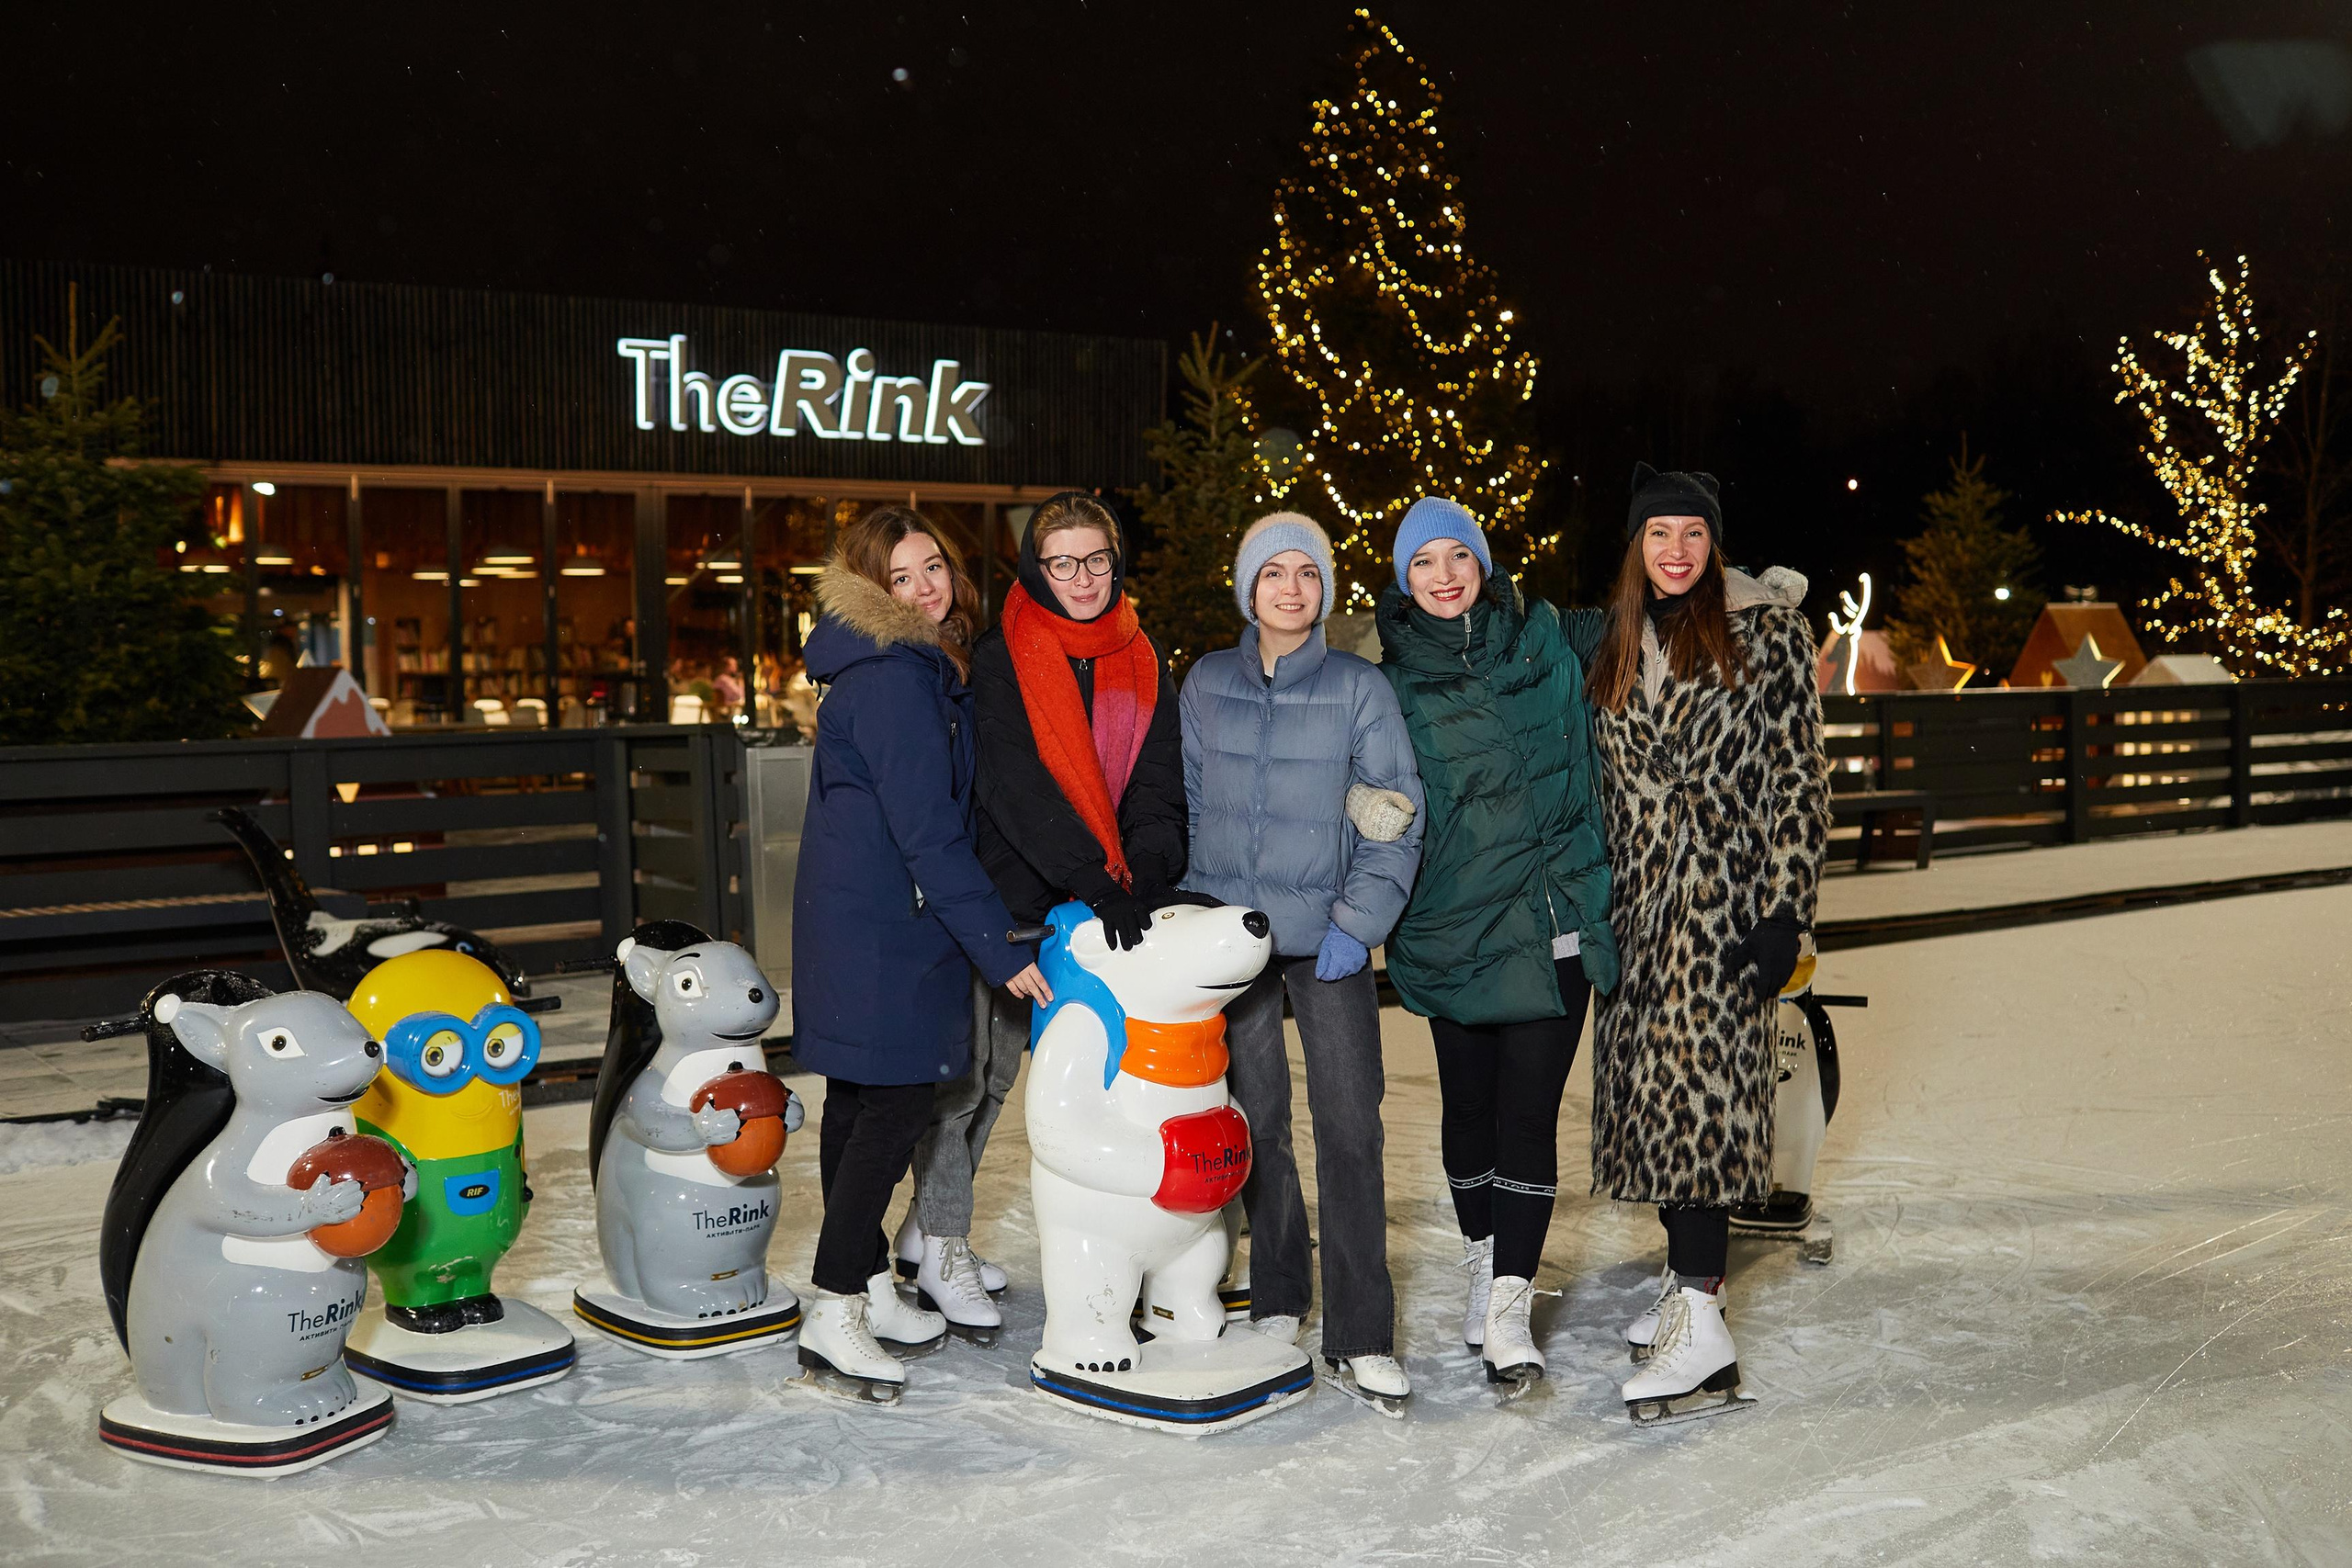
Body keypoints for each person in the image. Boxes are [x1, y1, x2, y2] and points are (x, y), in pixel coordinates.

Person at [896, 491, 1188, 1337]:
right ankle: (943, 1239)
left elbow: (1157, 780)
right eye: (1062, 562)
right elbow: (1016, 791)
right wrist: (1097, 881)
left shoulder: (1140, 654)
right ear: (1035, 567)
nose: (1082, 578)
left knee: (1032, 1078)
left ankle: (924, 1230)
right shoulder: (1002, 654)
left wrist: (1148, 871)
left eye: (1096, 559)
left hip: (1100, 907)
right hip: (1014, 900)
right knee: (968, 1083)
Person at [1577, 465, 1830, 1423]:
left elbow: (1799, 781)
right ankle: (1688, 1287)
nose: (1675, 550)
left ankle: (1703, 1327)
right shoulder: (1617, 641)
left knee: (1702, 1114)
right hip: (1639, 916)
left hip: (1724, 912)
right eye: (1658, 535)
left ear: (1713, 544)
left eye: (1691, 534)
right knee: (1658, 1111)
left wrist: (1782, 913)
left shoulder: (1766, 633)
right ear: (1636, 548)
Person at [790, 505, 1053, 1401]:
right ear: (871, 592)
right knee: (892, 1108)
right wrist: (994, 945)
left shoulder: (883, 668)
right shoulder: (897, 679)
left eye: (932, 566)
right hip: (888, 933)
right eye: (900, 578)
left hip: (856, 921)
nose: (925, 587)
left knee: (858, 1105)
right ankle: (834, 1308)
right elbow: (930, 833)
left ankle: (863, 1280)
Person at [1180, 511, 1425, 1413]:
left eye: (1307, 574)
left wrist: (1356, 924)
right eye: (1273, 573)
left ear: (1324, 589)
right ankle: (1278, 1296)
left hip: (1326, 939)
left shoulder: (1359, 689)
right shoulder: (1205, 683)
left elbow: (1396, 812)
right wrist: (1197, 914)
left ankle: (1362, 1331)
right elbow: (1193, 802)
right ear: (1247, 589)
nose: (1291, 588)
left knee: (1349, 1130)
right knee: (1255, 1122)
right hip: (1231, 941)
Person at [1373, 497, 1619, 1395]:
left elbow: (1660, 606)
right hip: (1452, 924)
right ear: (1403, 580)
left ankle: (1509, 1299)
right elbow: (1343, 771)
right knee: (1470, 1110)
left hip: (1554, 917)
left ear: (1482, 560)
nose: (1444, 575)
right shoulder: (1386, 679)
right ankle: (1483, 1256)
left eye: (1457, 555)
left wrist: (1747, 594)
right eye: (1423, 562)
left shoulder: (1548, 633)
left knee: (1526, 1116)